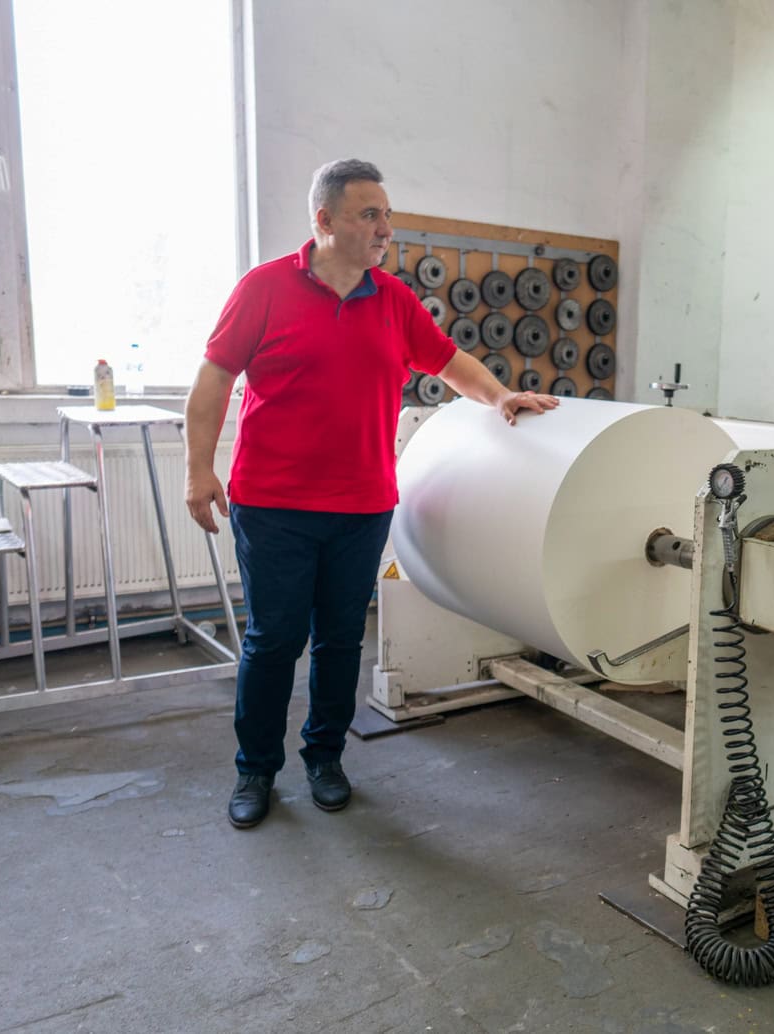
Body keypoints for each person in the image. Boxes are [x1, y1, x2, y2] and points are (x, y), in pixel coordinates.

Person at [184, 158, 558, 829]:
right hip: (274, 506)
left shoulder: (393, 299)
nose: (386, 228)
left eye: (387, 215)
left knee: (339, 642)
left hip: (361, 507)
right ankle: (255, 769)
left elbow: (448, 361)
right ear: (324, 220)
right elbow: (214, 379)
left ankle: (325, 759)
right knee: (273, 641)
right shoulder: (263, 289)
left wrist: (500, 395)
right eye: (369, 215)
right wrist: (198, 469)